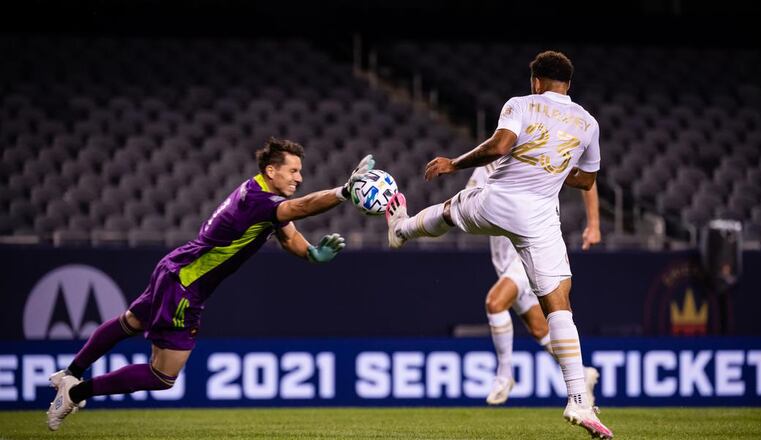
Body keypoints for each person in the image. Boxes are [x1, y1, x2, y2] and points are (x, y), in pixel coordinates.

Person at [47, 138, 374, 431]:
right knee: (163, 376)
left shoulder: (259, 192)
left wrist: (311, 254)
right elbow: (300, 208)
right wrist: (343, 192)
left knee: (130, 322)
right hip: (186, 286)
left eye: (300, 171)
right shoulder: (260, 202)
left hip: (175, 267)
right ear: (272, 170)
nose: (299, 178)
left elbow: (287, 233)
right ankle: (75, 392)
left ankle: (70, 372)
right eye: (293, 171)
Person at [386, 51, 612, 438]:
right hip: (541, 218)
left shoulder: (521, 104)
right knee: (560, 305)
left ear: (536, 81)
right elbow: (587, 181)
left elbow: (501, 145)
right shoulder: (588, 124)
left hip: (501, 201)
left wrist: (454, 163)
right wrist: (551, 168)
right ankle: (578, 399)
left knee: (448, 212)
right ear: (569, 85)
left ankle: (401, 229)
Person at [466, 164, 601, 406]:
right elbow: (468, 208)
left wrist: (594, 224)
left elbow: (586, 178)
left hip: (532, 252)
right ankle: (582, 373)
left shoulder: (536, 159)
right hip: (505, 262)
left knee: (495, 303)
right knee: (541, 331)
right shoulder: (482, 170)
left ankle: (504, 375)